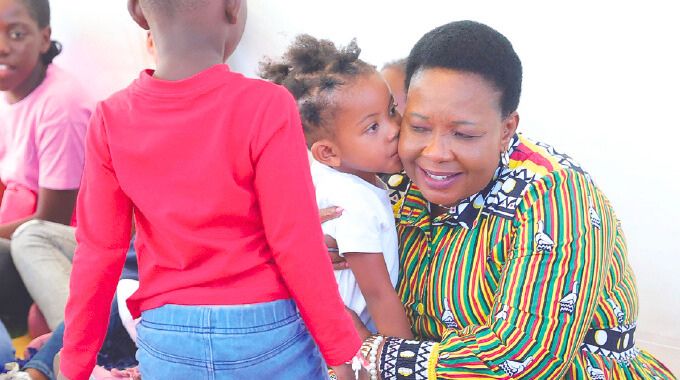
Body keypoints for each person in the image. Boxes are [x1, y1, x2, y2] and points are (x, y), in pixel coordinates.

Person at [340, 20, 676, 379]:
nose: (435, 152)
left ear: (506, 130)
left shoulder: (553, 194)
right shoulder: (393, 178)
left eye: (464, 134)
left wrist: (370, 354)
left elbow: (526, 360)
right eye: (418, 127)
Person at [60, 1, 361, 380]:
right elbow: (295, 241)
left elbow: (99, 252)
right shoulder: (268, 105)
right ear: (233, 7)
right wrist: (340, 351)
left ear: (137, 12)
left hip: (169, 337)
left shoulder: (110, 118)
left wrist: (74, 366)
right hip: (264, 331)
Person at [260, 34, 412, 339]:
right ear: (328, 152)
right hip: (343, 344)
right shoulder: (353, 201)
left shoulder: (337, 174)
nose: (394, 130)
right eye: (373, 127)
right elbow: (379, 294)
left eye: (392, 111)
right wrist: (404, 363)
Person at [0, 0, 91, 335]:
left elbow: (50, 220)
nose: (2, 47)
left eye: (17, 33)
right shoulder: (13, 91)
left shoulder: (60, 106)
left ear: (43, 38)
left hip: (55, 248)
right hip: (18, 230)